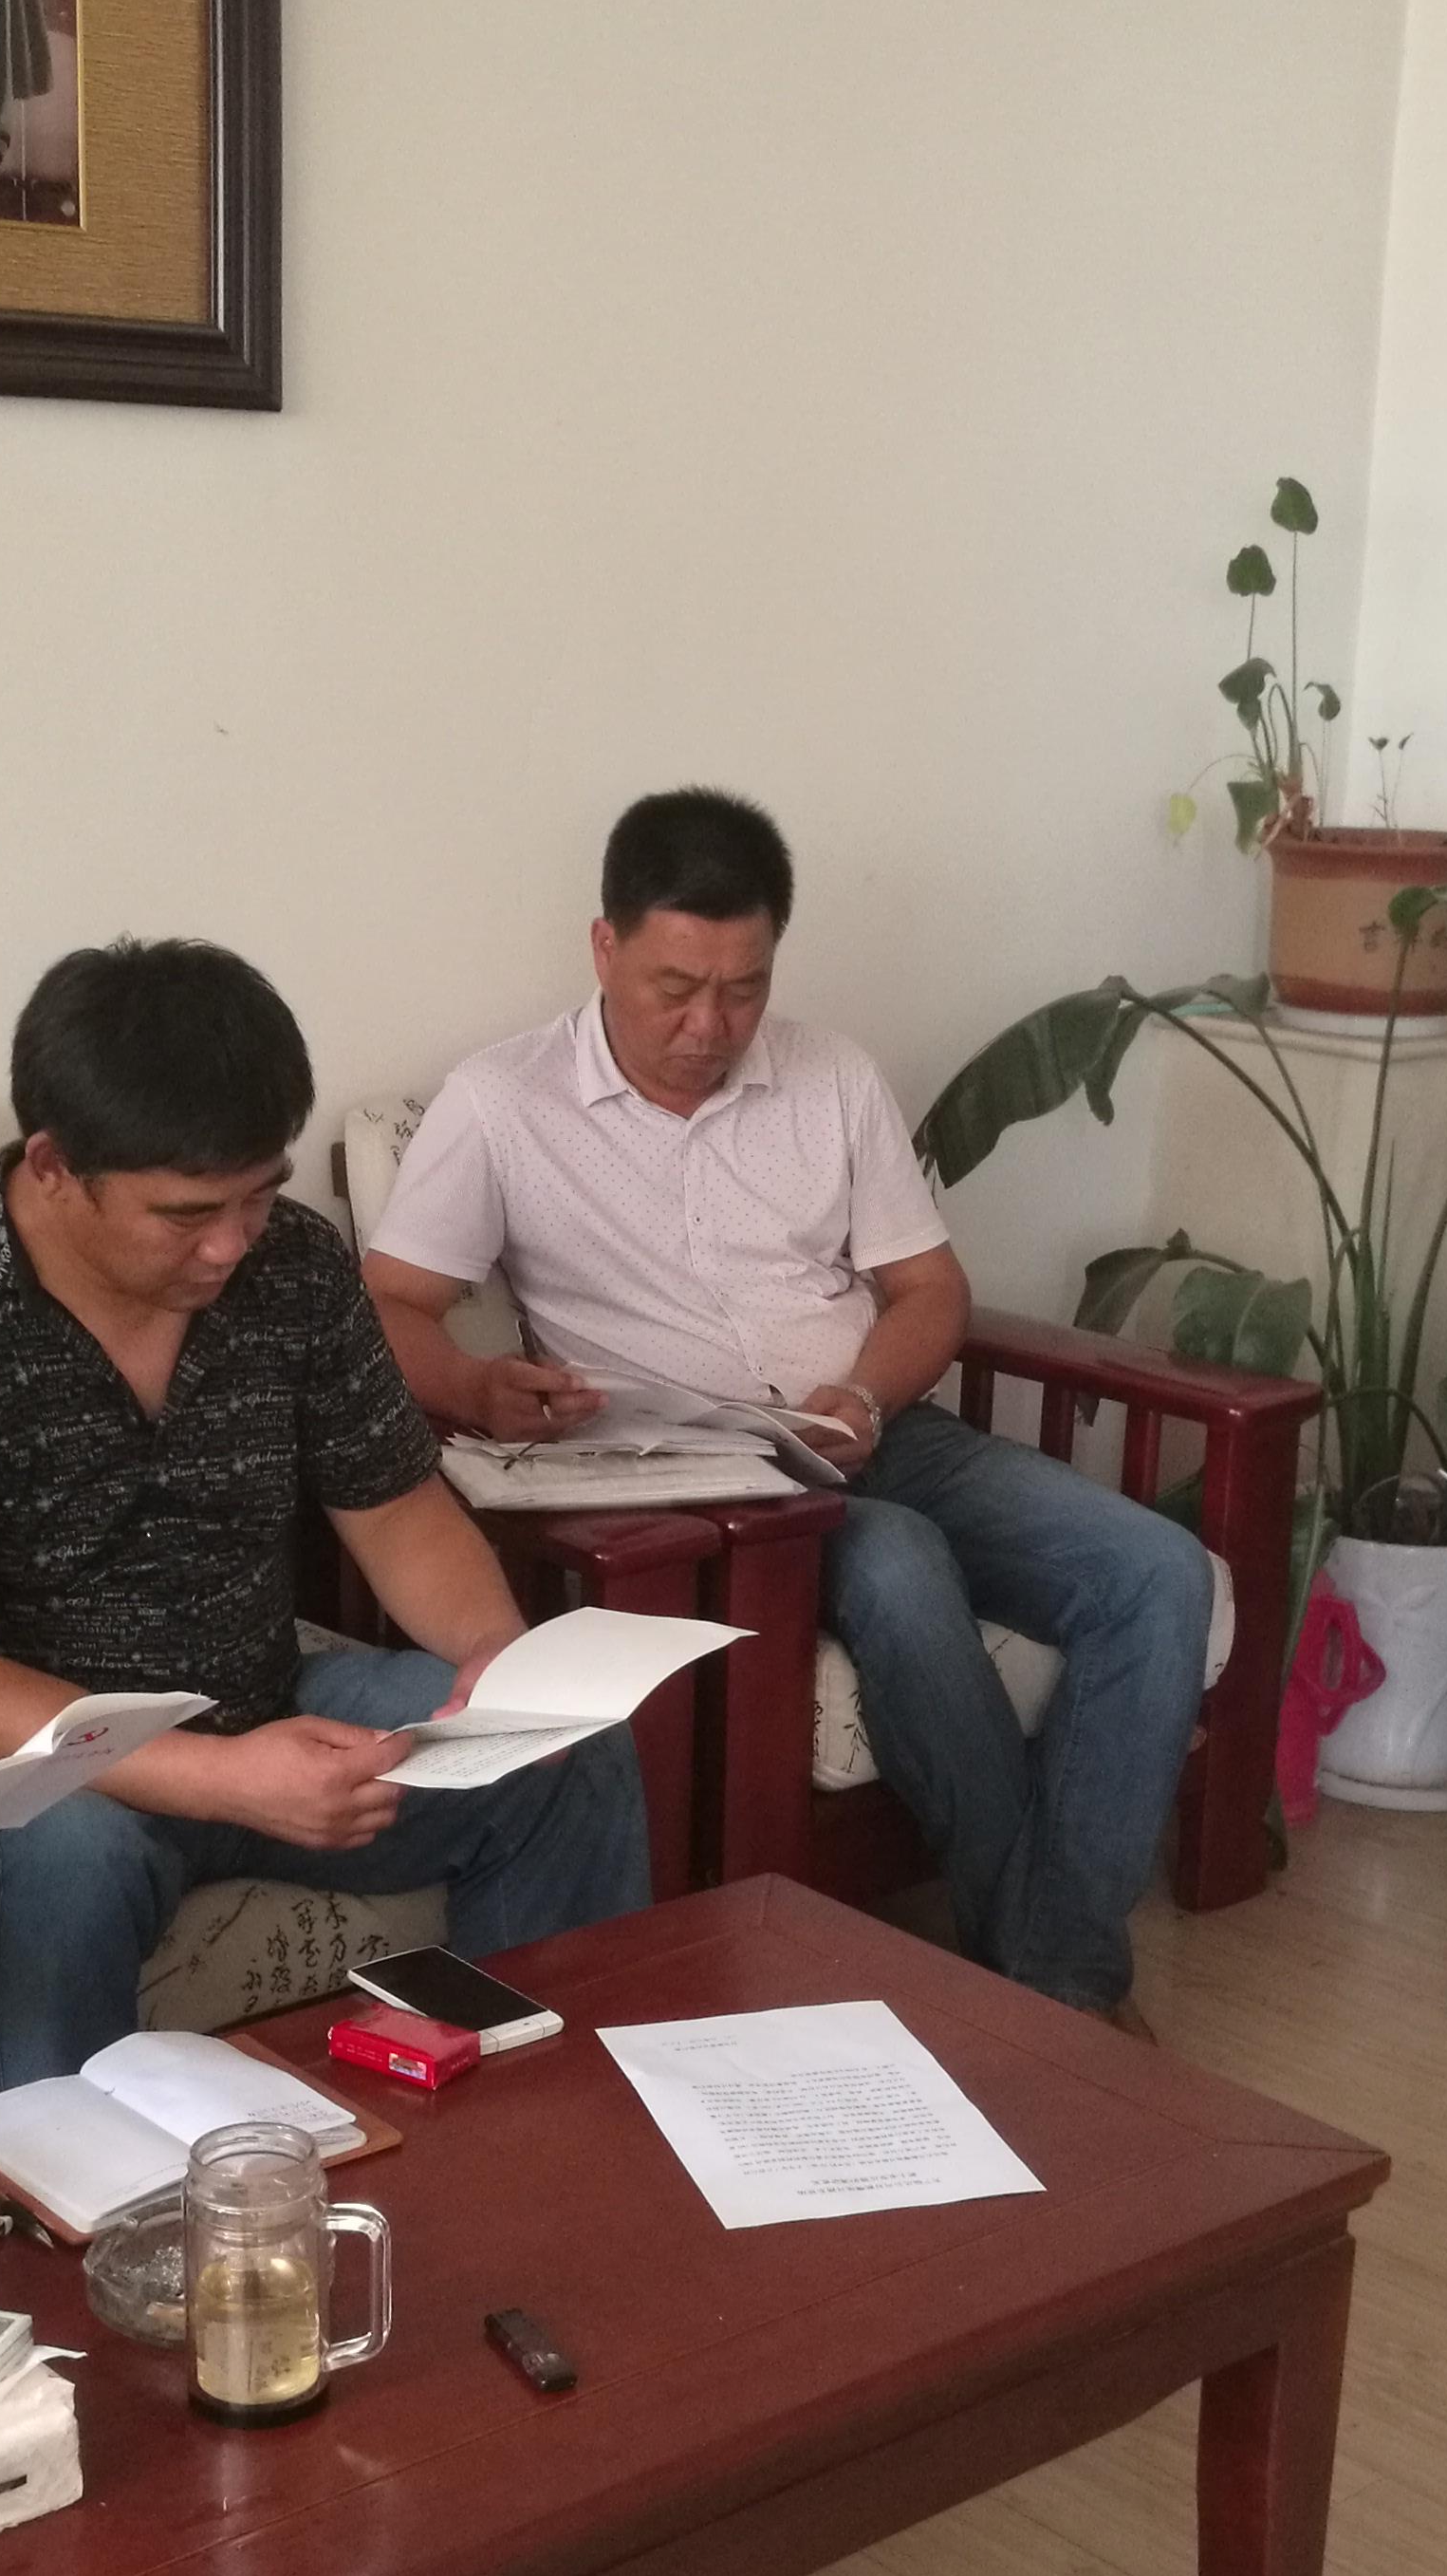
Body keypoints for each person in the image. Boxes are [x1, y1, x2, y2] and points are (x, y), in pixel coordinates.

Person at [362, 788, 1213, 2026]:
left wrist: (865, 1393)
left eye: (744, 988)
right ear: (604, 948)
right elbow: (392, 1307)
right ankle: (1062, 1996)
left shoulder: (833, 1076)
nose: (710, 1026)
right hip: (709, 1484)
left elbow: (929, 1290)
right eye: (675, 987)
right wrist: (479, 1385)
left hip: (875, 1431)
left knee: (1158, 1574)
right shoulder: (502, 1102)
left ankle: (1051, 1976)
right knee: (901, 1567)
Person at [0, 939, 647, 2100]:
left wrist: (497, 1663)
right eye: (187, 1213)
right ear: (53, 1166)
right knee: (67, 1862)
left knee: (565, 1750)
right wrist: (219, 1777)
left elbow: (398, 1509)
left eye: (259, 1194)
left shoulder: (293, 1267)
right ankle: (28, 2200)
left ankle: (544, 2131)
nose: (232, 1243)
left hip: (256, 1704)